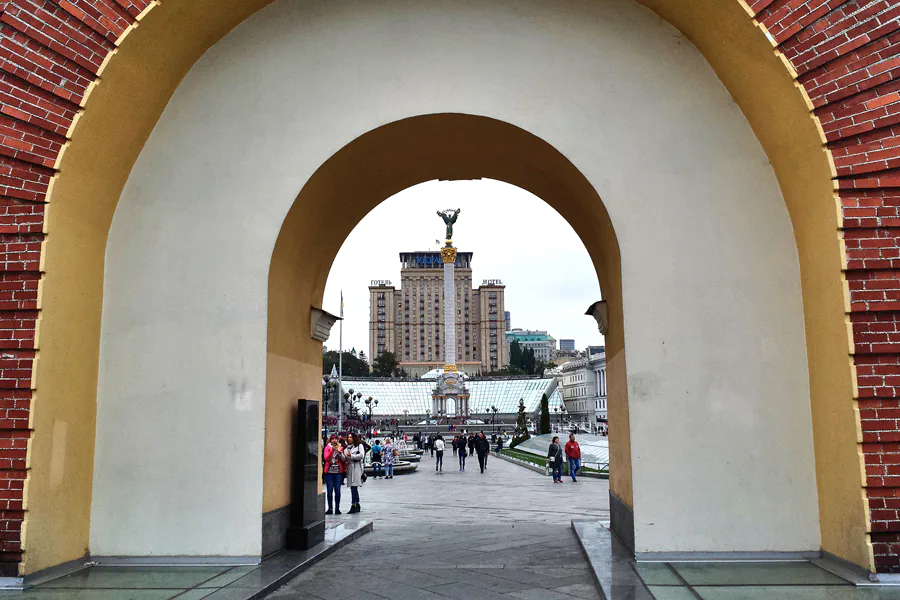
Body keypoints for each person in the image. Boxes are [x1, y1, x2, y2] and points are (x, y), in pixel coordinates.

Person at [323, 435, 345, 514]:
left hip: (338, 473)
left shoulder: (340, 447)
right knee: (329, 490)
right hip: (329, 473)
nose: (334, 441)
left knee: (337, 490)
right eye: (332, 439)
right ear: (330, 440)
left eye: (335, 439)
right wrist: (332, 450)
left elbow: (344, 459)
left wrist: (340, 453)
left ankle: (337, 508)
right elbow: (326, 459)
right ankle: (330, 508)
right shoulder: (327, 447)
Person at [344, 432, 366, 513]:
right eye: (348, 437)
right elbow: (344, 459)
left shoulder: (359, 446)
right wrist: (340, 454)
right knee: (353, 487)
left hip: (357, 468)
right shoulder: (347, 448)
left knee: (354, 486)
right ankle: (357, 504)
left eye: (351, 437)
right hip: (350, 468)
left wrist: (351, 456)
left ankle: (353, 505)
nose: (349, 438)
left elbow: (361, 455)